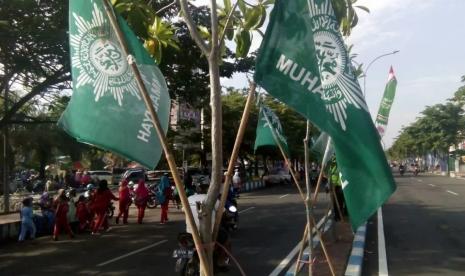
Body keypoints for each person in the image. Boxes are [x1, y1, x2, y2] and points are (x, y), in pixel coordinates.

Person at [186, 184, 229, 269]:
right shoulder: (213, 199)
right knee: (225, 238)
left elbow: (183, 209)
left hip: (190, 231)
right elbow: (223, 211)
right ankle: (221, 260)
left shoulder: (189, 198)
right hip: (209, 232)